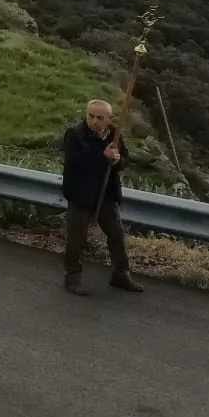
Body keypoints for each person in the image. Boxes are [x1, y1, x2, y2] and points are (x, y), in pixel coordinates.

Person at [60, 99, 142, 296]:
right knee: (76, 239)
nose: (94, 121)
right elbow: (76, 162)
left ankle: (121, 274)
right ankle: (72, 278)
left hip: (105, 194)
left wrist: (117, 160)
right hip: (80, 194)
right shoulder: (75, 134)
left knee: (116, 234)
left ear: (108, 119)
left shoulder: (115, 134)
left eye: (99, 117)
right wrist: (102, 157)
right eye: (90, 116)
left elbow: (125, 157)